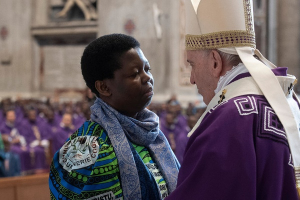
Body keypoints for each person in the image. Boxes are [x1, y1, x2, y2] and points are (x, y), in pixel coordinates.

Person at [166, 1, 300, 199]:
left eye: (192, 65)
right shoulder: (287, 101)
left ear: (215, 62)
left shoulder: (229, 121)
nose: (192, 78)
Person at [49, 34, 180, 200]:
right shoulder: (87, 151)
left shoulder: (152, 135)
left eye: (147, 69)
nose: (147, 77)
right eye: (134, 74)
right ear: (104, 87)